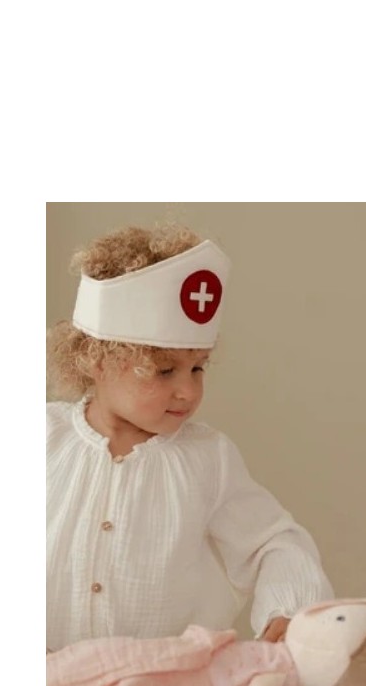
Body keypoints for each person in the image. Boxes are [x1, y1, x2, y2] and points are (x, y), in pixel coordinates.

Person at [47, 225, 333, 652]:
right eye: (164, 371)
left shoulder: (208, 459)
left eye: (198, 367)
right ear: (96, 361)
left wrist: (288, 608)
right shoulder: (44, 438)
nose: (188, 390)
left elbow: (273, 541)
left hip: (172, 679)